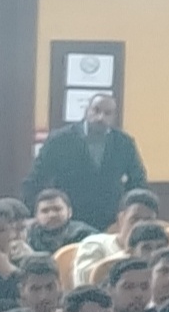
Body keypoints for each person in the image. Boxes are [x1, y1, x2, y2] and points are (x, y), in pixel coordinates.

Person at [23, 91, 149, 232]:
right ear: (86, 111)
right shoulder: (60, 140)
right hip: (67, 220)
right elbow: (36, 179)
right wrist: (33, 214)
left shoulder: (123, 142)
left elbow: (138, 181)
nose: (101, 117)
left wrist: (131, 213)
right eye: (96, 110)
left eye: (107, 113)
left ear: (114, 117)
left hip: (109, 220)